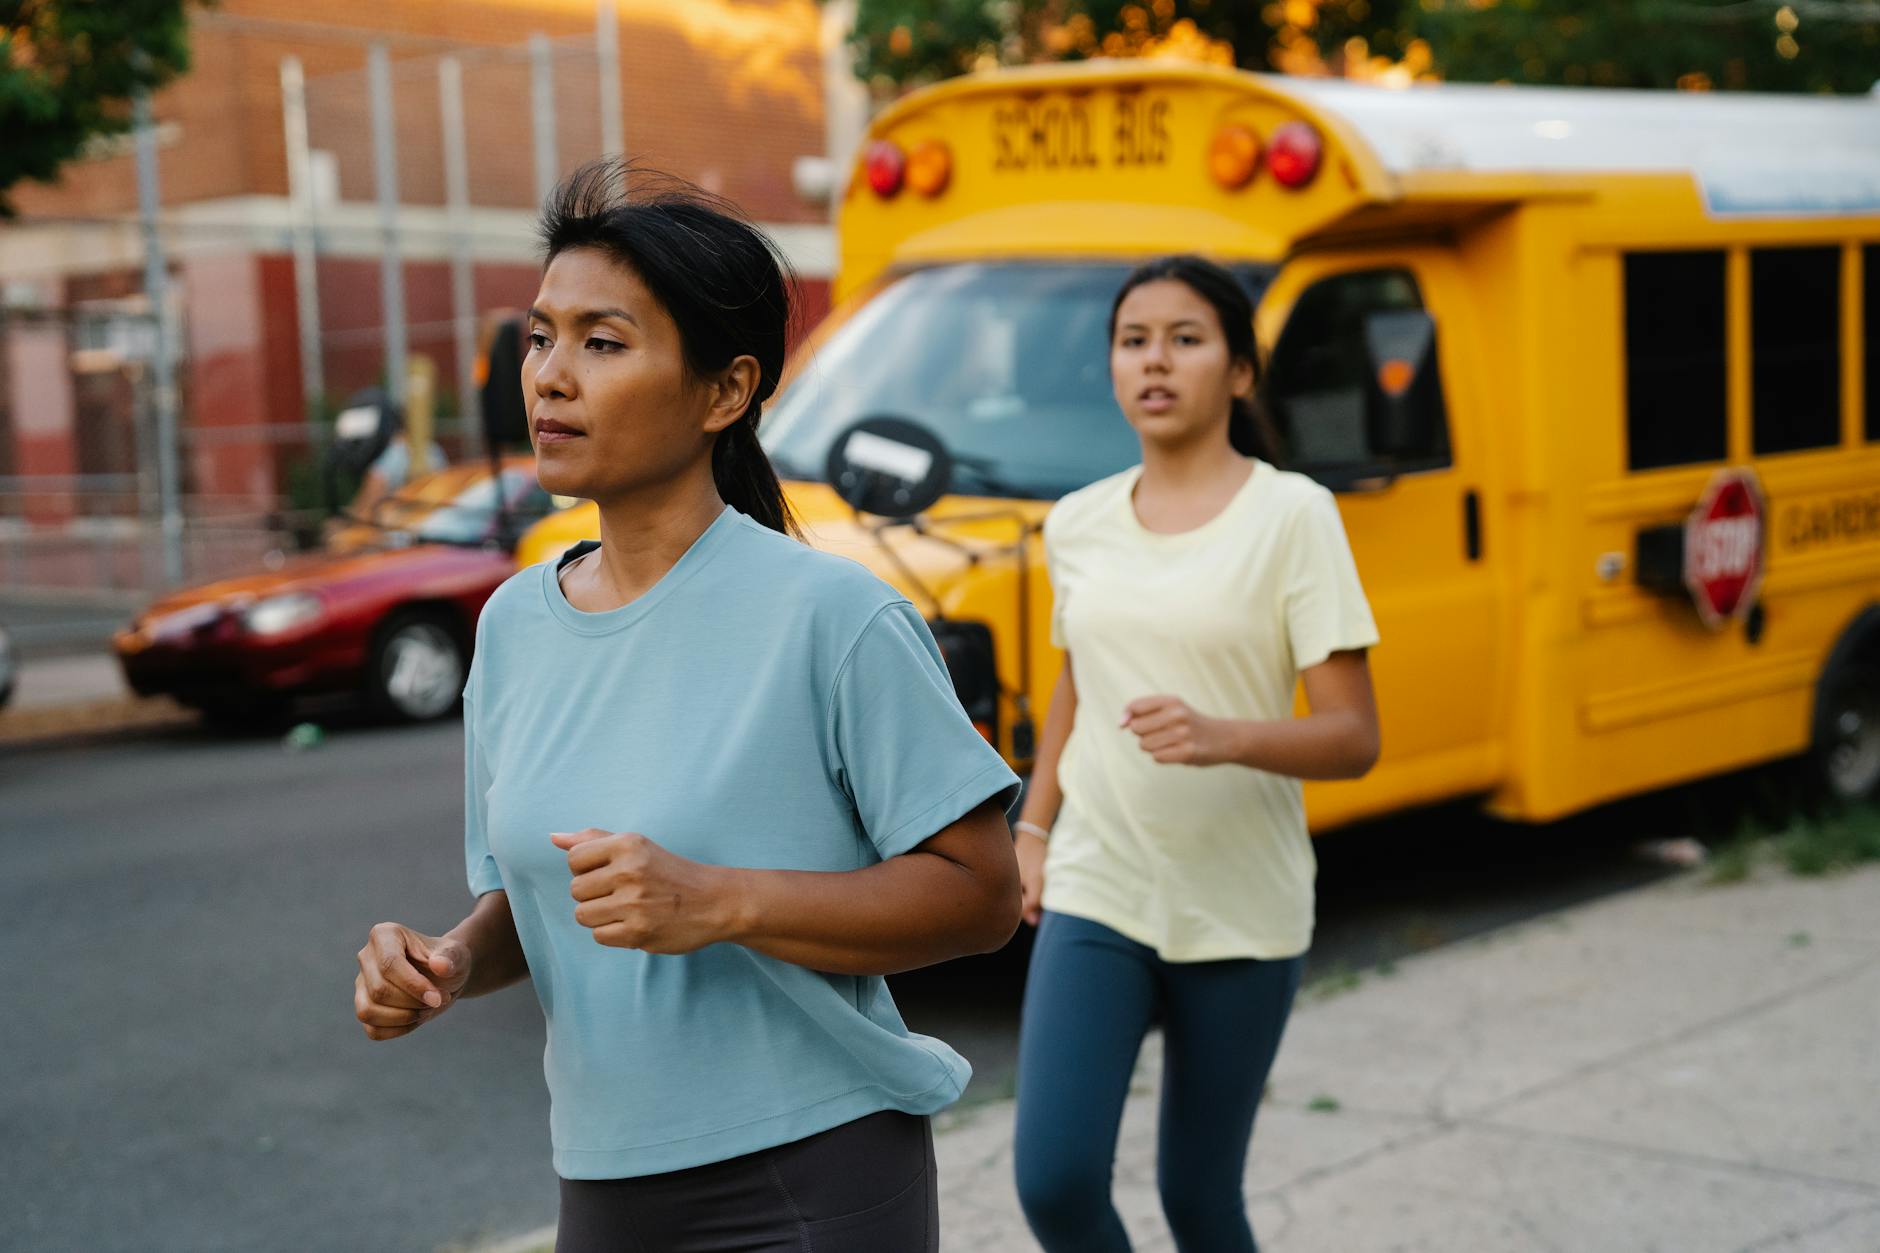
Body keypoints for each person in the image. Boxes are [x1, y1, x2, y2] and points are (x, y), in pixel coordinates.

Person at [352, 160, 1022, 1253]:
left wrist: (723, 900)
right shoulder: (514, 624)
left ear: (725, 390)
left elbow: (981, 894)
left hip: (810, 1173)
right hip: (604, 1179)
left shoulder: (832, 618)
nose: (552, 376)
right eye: (539, 336)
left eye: (602, 343)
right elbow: (543, 894)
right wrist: (451, 960)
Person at [1010, 254, 1383, 1252]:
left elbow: (1354, 736)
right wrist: (1033, 828)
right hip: (1100, 882)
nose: (1154, 361)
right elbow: (1075, 679)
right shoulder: (1077, 521)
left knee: (1199, 1197)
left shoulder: (1292, 514)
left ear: (1239, 371)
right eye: (1133, 340)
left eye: (1185, 337)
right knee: (1052, 1179)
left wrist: (1223, 735)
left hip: (1240, 903)